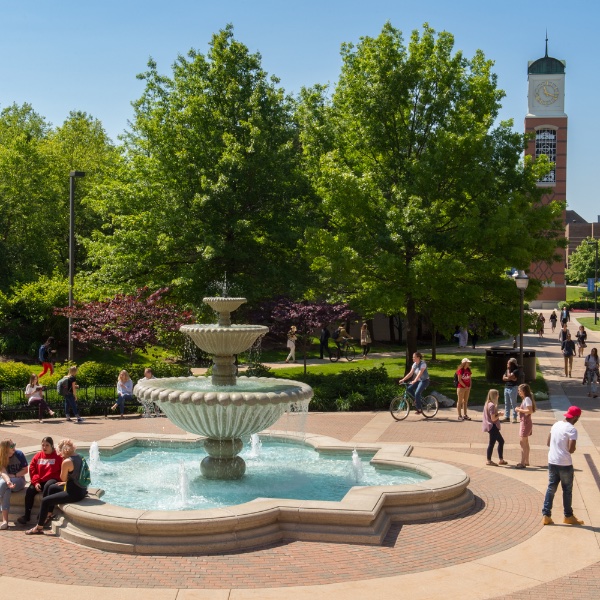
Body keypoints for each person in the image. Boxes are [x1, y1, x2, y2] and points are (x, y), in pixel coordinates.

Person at [25, 438, 89, 535]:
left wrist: (64, 473)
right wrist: (65, 483)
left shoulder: (67, 461)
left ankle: (39, 527)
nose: (58, 452)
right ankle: (49, 514)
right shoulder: (79, 456)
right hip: (81, 490)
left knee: (45, 501)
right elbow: (76, 476)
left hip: (73, 493)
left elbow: (62, 478)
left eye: (59, 449)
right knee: (52, 487)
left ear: (64, 450)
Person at [542, 406, 584, 526]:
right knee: (567, 490)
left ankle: (546, 515)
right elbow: (571, 449)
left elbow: (548, 442)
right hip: (565, 463)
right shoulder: (572, 430)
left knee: (551, 488)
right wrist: (572, 447)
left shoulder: (556, 424)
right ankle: (568, 516)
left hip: (552, 461)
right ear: (575, 417)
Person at [16, 437, 63, 525]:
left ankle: (44, 514)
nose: (44, 447)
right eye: (43, 445)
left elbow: (62, 471)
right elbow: (33, 470)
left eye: (47, 445)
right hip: (40, 480)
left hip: (52, 479)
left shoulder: (58, 456)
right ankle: (26, 516)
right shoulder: (38, 456)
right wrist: (36, 482)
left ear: (52, 446)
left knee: (48, 487)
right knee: (30, 491)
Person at [0, 439, 28, 530]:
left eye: (14, 444)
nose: (14, 447)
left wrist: (14, 475)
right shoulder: (2, 457)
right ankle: (5, 521)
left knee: (4, 485)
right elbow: (3, 472)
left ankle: (5, 521)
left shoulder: (19, 454)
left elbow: (25, 470)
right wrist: (8, 481)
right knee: (6, 489)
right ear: (5, 448)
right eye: (12, 446)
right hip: (6, 481)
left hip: (19, 479)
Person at [481, 389, 507, 466]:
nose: (498, 396)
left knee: (501, 441)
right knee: (492, 443)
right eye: (497, 395)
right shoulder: (492, 405)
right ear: (494, 396)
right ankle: (489, 460)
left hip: (490, 426)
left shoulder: (487, 403)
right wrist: (499, 415)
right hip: (493, 426)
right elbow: (493, 418)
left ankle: (501, 459)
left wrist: (497, 413)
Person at [515, 383, 536, 469]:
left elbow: (529, 411)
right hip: (526, 422)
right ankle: (526, 461)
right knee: (525, 442)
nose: (519, 392)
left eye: (520, 391)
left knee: (522, 443)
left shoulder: (527, 399)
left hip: (525, 422)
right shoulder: (526, 399)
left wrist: (519, 409)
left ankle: (523, 462)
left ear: (524, 391)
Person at [502, 358, 520, 423]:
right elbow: (503, 378)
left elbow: (509, 376)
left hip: (513, 388)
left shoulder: (516, 370)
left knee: (513, 403)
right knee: (507, 403)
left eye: (508, 363)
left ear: (512, 364)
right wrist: (510, 378)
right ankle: (507, 417)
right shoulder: (507, 370)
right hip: (506, 387)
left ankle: (515, 417)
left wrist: (509, 376)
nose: (507, 364)